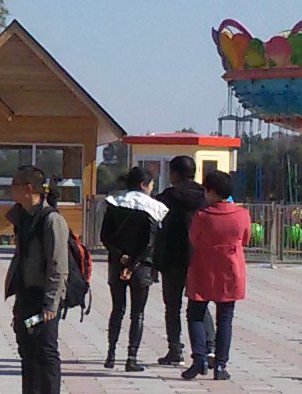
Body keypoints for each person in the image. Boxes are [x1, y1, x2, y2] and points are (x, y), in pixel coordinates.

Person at [3, 164, 72, 394]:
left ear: (28, 188)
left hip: (45, 299)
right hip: (26, 295)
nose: (11, 189)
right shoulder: (23, 216)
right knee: (27, 345)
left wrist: (51, 302)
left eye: (15, 184)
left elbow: (58, 265)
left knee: (46, 348)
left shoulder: (51, 220)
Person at [179, 168, 252, 382]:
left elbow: (193, 238)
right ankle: (220, 365)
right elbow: (246, 239)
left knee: (195, 314)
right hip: (231, 270)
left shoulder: (202, 216)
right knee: (225, 319)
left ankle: (199, 358)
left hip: (204, 268)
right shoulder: (242, 215)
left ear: (211, 191)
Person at [96, 165, 163, 372]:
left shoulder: (113, 203)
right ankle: (131, 357)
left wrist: (122, 259)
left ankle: (111, 354)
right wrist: (133, 263)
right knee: (138, 313)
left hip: (116, 263)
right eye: (151, 184)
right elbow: (150, 242)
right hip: (141, 265)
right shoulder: (154, 207)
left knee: (117, 309)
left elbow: (105, 237)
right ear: (144, 185)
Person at [151, 156, 207, 369]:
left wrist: (155, 261)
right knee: (200, 303)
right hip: (198, 257)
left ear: (174, 174)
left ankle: (175, 349)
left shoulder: (167, 197)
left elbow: (155, 227)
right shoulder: (204, 196)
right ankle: (207, 346)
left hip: (172, 257)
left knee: (172, 305)